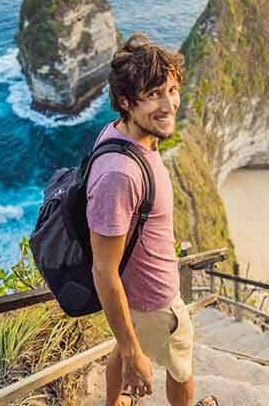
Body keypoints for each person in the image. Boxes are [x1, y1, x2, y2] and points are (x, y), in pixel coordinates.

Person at [87, 33, 216, 406]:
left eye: (172, 90)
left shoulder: (122, 133)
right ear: (126, 102)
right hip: (154, 299)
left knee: (127, 345)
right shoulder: (120, 175)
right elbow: (103, 271)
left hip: (137, 293)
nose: (169, 104)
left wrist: (128, 346)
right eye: (154, 94)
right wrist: (132, 353)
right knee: (181, 368)